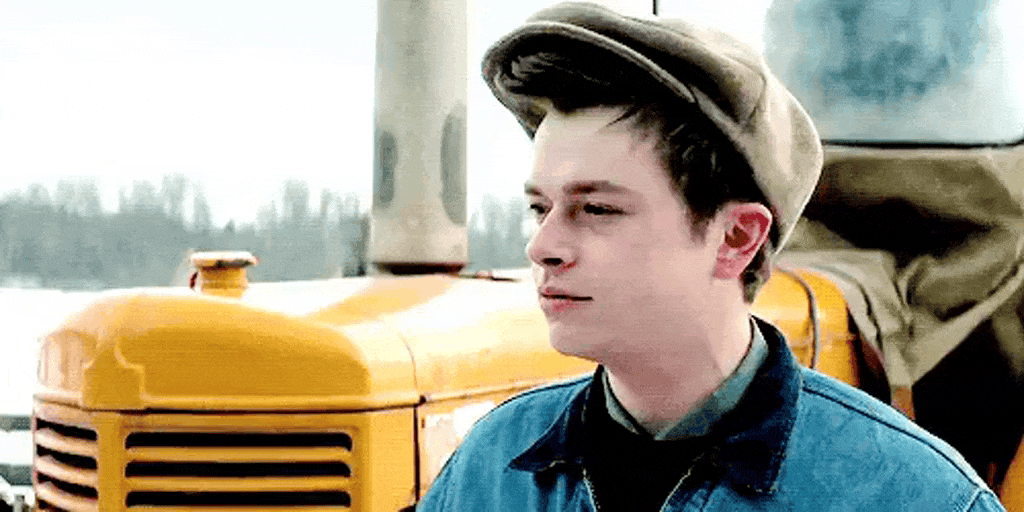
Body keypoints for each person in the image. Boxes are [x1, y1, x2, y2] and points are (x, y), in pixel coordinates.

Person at [417, 2, 1004, 511]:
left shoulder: (915, 497)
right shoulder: (487, 470)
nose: (541, 247)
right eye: (539, 208)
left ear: (736, 239)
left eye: (596, 209)